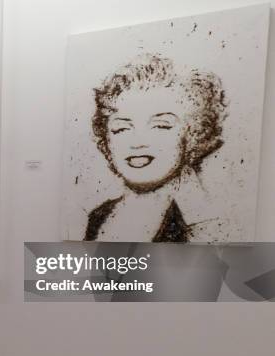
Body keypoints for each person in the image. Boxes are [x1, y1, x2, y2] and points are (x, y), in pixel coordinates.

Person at [85, 53, 228, 242]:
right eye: (121, 128)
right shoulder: (99, 216)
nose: (137, 142)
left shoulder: (206, 222)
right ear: (106, 139)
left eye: (161, 126)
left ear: (195, 133)